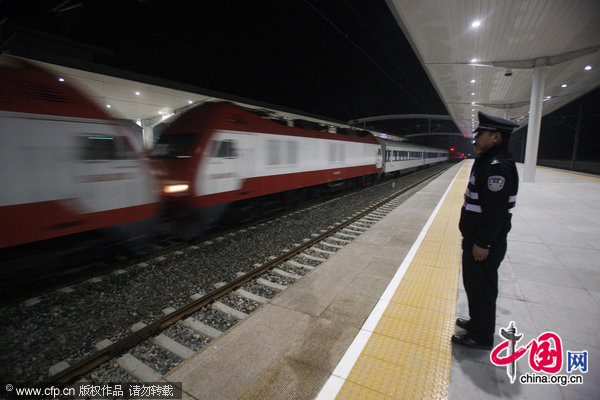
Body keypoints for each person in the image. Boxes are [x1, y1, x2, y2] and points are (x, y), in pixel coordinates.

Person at [452, 111, 519, 350]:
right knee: (474, 285)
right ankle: (476, 323)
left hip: (482, 242)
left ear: (496, 137)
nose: (476, 137)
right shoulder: (488, 159)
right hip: (475, 238)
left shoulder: (497, 166)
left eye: (481, 133)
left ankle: (481, 337)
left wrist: (483, 243)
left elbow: (495, 212)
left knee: (482, 288)